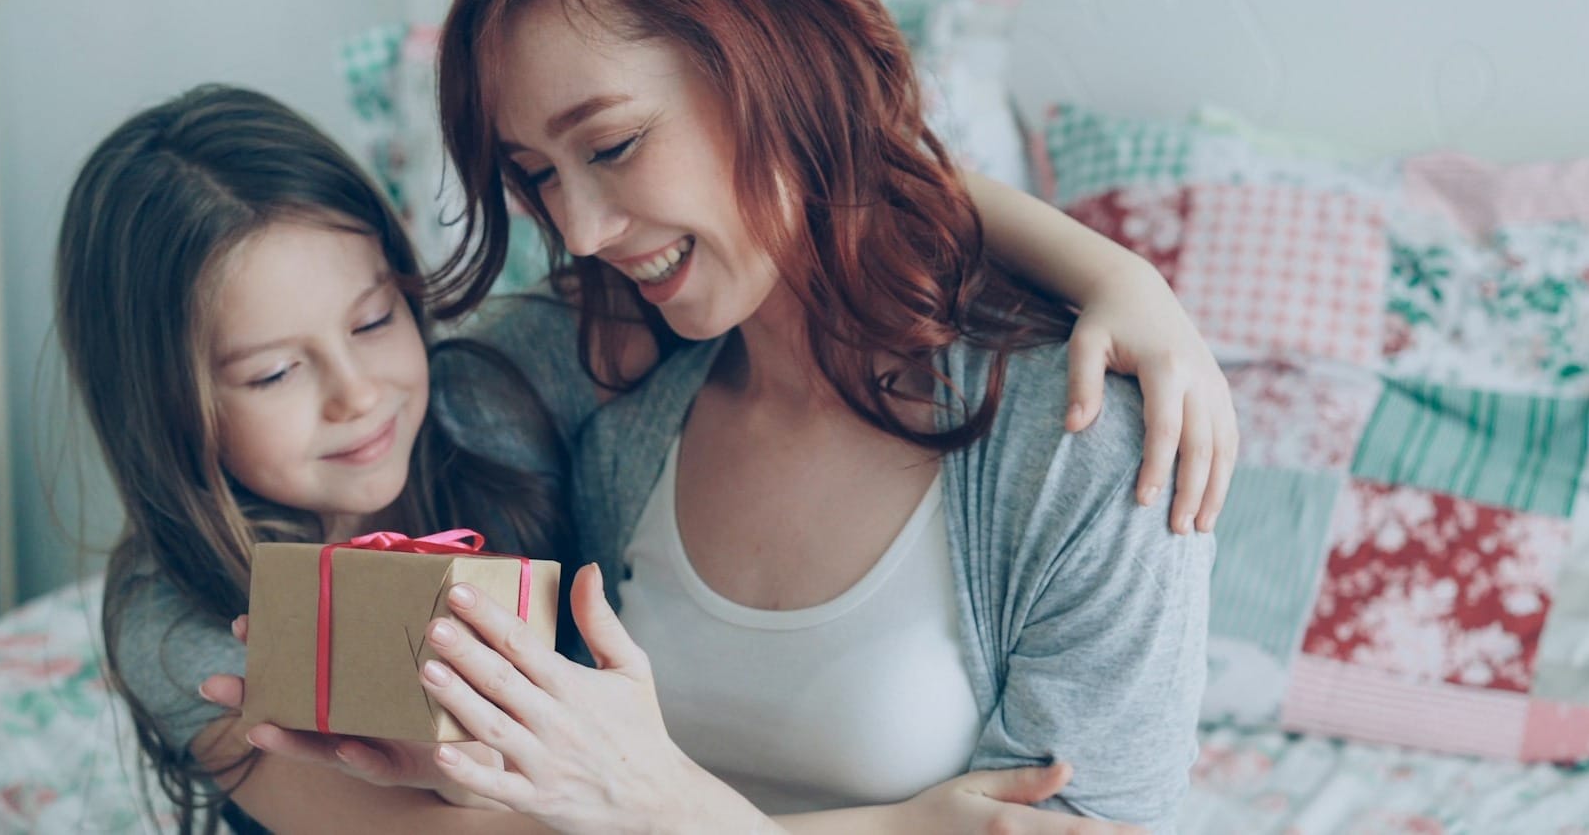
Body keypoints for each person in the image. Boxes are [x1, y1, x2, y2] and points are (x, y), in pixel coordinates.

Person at [256, 0, 1215, 831]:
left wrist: (661, 810)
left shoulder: (1085, 438)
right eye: (536, 174)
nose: (578, 231)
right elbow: (214, 508)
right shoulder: (593, 364)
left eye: (613, 146)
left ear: (777, 60)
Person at [64, 84, 1220, 834]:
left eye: (374, 320)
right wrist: (893, 829)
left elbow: (811, 196)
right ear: (167, 406)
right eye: (273, 374)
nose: (357, 394)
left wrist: (1115, 275)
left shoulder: (485, 399)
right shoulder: (176, 614)